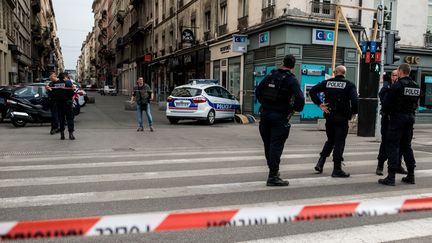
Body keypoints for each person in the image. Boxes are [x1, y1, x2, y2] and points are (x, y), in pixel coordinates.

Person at [255, 54, 305, 187]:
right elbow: (300, 99)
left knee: (268, 146)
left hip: (265, 116)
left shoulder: (270, 76)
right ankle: (273, 176)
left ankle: (273, 173)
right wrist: (293, 109)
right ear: (293, 66)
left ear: (282, 63)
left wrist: (266, 104)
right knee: (276, 146)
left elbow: (258, 91)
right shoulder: (291, 80)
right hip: (280, 117)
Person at [309, 65, 358, 177]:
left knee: (330, 140)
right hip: (342, 118)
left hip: (329, 116)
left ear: (335, 72)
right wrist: (353, 113)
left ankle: (320, 163)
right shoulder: (349, 85)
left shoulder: (327, 83)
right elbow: (355, 101)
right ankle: (337, 169)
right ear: (344, 73)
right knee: (339, 142)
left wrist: (320, 104)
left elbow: (312, 91)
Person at [378, 63, 420, 186]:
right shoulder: (416, 86)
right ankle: (411, 175)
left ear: (401, 72)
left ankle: (391, 177)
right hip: (410, 118)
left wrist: (387, 113)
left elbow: (386, 103)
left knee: (393, 146)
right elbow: (415, 104)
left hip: (397, 120)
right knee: (407, 146)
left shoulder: (397, 85)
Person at [376, 69, 407, 176]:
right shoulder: (386, 88)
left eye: (397, 75)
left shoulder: (402, 88)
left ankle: (398, 165)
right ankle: (380, 165)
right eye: (394, 75)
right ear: (391, 77)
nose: (396, 77)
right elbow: (384, 103)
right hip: (388, 119)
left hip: (399, 120)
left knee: (400, 143)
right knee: (385, 142)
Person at [49, 72, 75, 140]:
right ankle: (71, 134)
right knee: (70, 119)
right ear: (64, 77)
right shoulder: (67, 83)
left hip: (59, 104)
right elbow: (71, 93)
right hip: (67, 104)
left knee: (61, 120)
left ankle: (62, 135)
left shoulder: (55, 84)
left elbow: (52, 94)